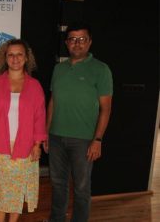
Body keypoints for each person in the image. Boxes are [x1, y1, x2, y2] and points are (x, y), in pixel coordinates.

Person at [46, 22, 113, 222]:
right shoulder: (59, 69)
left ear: (90, 42)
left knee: (82, 189)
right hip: (56, 138)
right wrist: (46, 133)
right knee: (58, 184)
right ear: (67, 43)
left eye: (82, 39)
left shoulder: (101, 69)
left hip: (84, 140)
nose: (77, 43)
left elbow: (106, 109)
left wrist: (97, 140)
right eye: (73, 39)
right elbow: (53, 102)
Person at [0, 39, 47, 222]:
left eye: (19, 54)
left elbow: (40, 118)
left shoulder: (35, 86)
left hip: (24, 147)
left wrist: (37, 145)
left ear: (26, 57)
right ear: (5, 58)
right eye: (11, 55)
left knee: (17, 189)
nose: (15, 58)